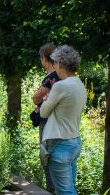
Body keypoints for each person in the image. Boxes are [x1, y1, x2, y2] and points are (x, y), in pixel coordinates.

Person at [40, 45, 87, 194]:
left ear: (60, 63)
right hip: (74, 142)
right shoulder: (80, 84)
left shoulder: (61, 86)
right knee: (70, 188)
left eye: (55, 64)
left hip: (60, 143)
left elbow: (43, 112)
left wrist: (47, 101)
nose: (54, 68)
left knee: (64, 192)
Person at [30, 43, 59, 192]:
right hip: (52, 119)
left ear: (44, 58)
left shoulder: (52, 77)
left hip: (47, 121)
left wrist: (36, 95)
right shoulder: (57, 75)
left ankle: (51, 190)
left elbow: (37, 98)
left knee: (46, 157)